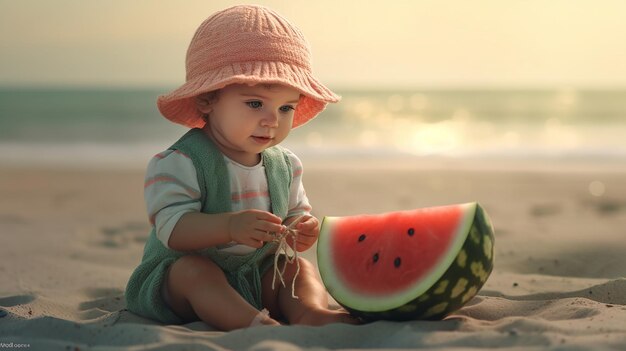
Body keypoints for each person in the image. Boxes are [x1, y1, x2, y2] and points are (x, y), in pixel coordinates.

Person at [125, 4, 358, 331]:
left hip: (255, 275)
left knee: (297, 268)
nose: (272, 120)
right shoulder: (181, 162)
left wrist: (300, 230)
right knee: (194, 272)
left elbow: (293, 215)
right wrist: (231, 227)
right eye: (254, 103)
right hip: (180, 283)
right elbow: (173, 230)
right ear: (207, 99)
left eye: (286, 107)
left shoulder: (285, 165)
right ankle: (251, 325)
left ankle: (309, 313)